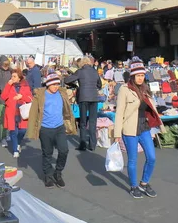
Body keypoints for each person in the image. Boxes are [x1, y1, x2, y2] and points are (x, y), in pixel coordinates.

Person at [113, 58, 165, 199]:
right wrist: (117, 133)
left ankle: (144, 183)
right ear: (132, 76)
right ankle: (134, 186)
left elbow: (151, 109)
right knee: (133, 160)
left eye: (142, 75)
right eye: (138, 75)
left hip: (145, 127)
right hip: (130, 129)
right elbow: (119, 113)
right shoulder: (124, 90)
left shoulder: (145, 89)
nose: (140, 78)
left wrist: (155, 128)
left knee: (152, 157)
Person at [26, 73, 77, 188]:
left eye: (58, 84)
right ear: (48, 84)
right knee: (47, 153)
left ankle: (58, 173)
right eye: (53, 84)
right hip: (45, 129)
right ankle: (48, 176)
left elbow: (67, 109)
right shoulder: (40, 95)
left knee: (64, 150)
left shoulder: (62, 93)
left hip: (59, 127)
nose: (56, 86)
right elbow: (33, 113)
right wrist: (31, 130)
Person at [64, 56, 102, 151]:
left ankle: (83, 144)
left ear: (81, 63)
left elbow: (67, 80)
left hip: (83, 97)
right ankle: (92, 144)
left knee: (83, 122)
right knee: (93, 121)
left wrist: (75, 85)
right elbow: (99, 85)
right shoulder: (94, 71)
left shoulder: (80, 71)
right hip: (94, 97)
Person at [2, 69, 33, 158]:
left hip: (22, 112)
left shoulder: (25, 86)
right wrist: (8, 85)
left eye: (14, 76)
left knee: (22, 130)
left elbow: (30, 98)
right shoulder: (9, 86)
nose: (12, 78)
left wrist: (22, 96)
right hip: (11, 111)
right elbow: (3, 96)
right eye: (12, 76)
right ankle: (15, 150)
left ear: (19, 78)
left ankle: (18, 143)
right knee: (13, 131)